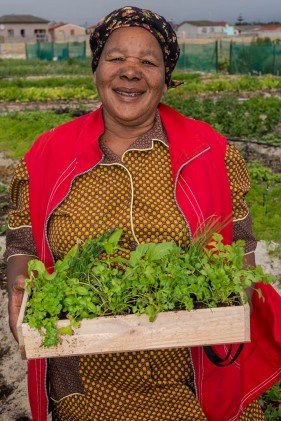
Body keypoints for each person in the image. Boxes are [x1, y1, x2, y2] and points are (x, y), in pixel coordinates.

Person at [5, 6, 281, 421]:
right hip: (84, 379)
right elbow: (22, 239)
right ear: (96, 69)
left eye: (148, 62)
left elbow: (239, 238)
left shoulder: (210, 152)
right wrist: (18, 286)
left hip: (193, 372)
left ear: (166, 78)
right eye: (116, 58)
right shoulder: (48, 154)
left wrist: (230, 299)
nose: (130, 72)